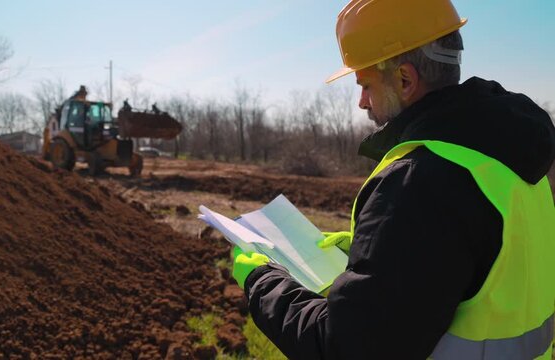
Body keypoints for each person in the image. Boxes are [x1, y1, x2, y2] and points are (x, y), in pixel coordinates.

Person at [230, 0, 555, 359]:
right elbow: (472, 255)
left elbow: (347, 348)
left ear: (404, 78)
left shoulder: (421, 180)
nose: (362, 102)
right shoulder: (508, 149)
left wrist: (262, 283)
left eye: (365, 84)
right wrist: (374, 248)